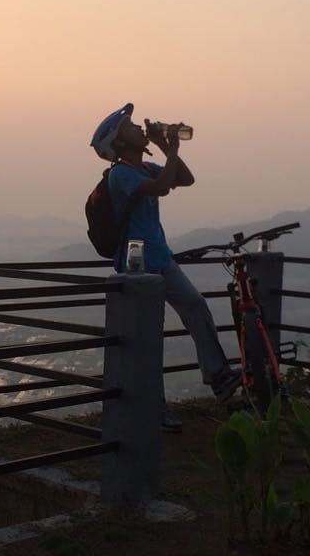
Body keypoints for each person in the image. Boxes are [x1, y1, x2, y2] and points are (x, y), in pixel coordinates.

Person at [89, 103, 241, 432]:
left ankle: (220, 379)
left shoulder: (145, 167)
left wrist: (165, 149)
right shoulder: (122, 174)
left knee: (196, 307)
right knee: (147, 341)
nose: (137, 128)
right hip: (135, 266)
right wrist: (170, 149)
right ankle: (154, 412)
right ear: (118, 141)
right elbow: (161, 188)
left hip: (161, 258)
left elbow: (184, 179)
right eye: (129, 126)